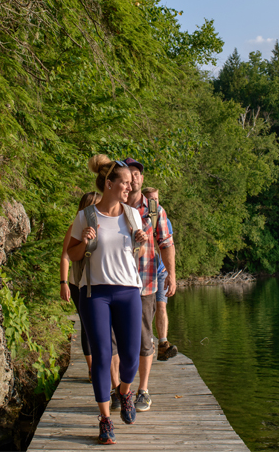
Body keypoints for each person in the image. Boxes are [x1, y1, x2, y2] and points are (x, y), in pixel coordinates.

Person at [67, 155, 147, 445]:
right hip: (94, 293)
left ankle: (124, 392)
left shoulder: (132, 215)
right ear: (109, 184)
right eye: (125, 183)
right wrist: (85, 242)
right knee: (101, 356)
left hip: (128, 291)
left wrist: (141, 241)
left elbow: (133, 253)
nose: (130, 187)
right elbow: (72, 255)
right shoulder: (85, 216)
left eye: (131, 183)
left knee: (130, 355)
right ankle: (104, 419)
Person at [120, 158, 176, 413]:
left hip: (146, 283)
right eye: (129, 174)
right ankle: (121, 388)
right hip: (116, 282)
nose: (134, 178)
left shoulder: (154, 210)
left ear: (142, 179)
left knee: (144, 338)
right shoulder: (114, 207)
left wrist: (172, 275)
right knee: (116, 339)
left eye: (137, 174)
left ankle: (143, 390)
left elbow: (166, 244)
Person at [59, 192, 120, 389]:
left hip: (101, 282)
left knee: (107, 328)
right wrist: (63, 283)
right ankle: (92, 367)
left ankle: (109, 370)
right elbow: (66, 256)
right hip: (79, 283)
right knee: (86, 326)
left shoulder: (107, 225)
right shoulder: (75, 228)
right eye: (94, 206)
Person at [142, 187, 178, 361]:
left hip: (161, 271)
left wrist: (171, 273)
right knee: (148, 309)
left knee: (161, 306)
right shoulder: (138, 216)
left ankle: (163, 344)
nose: (154, 203)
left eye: (156, 199)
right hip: (144, 272)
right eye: (150, 200)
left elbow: (169, 246)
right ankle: (147, 343)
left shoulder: (163, 219)